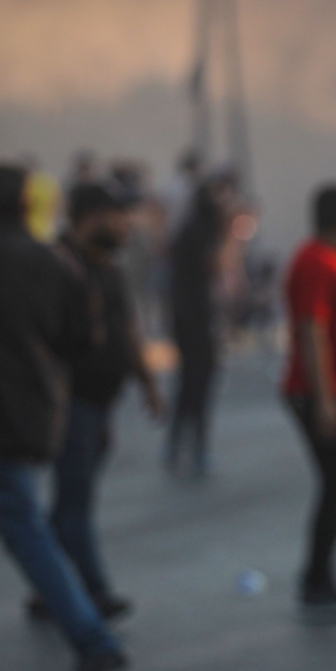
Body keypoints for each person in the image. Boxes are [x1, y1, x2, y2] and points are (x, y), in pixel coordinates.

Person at [0, 165, 128, 671]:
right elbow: (81, 339)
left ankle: (94, 639)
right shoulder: (54, 265)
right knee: (29, 521)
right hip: (34, 414)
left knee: (29, 525)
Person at [24, 183, 165, 624]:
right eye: (117, 216)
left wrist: (147, 385)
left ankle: (50, 590)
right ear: (89, 217)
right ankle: (93, 592)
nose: (126, 225)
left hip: (99, 402)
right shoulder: (58, 265)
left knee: (70, 502)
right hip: (69, 403)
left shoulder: (109, 268)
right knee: (73, 504)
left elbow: (127, 330)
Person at [282, 184, 336, 622]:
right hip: (322, 393)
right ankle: (316, 578)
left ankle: (319, 576)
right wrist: (326, 401)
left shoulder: (329, 259)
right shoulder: (315, 261)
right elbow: (312, 329)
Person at [164, 171, 236, 475]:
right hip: (196, 317)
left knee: (191, 381)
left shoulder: (189, 227)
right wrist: (230, 234)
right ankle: (193, 446)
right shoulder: (203, 231)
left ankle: (179, 443)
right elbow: (217, 265)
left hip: (188, 315)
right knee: (199, 381)